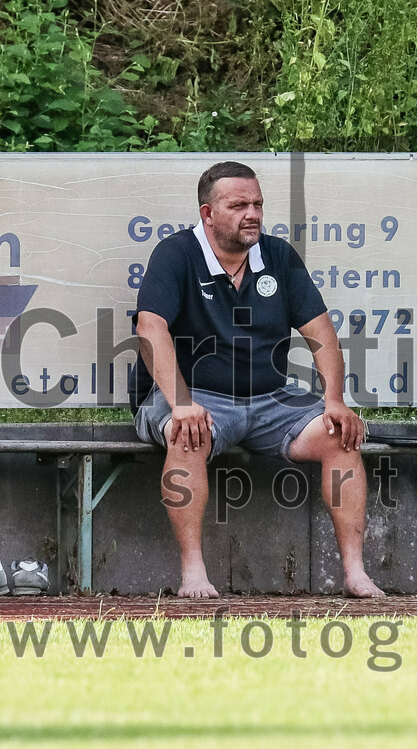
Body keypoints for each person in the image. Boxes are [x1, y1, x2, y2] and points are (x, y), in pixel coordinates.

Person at [130, 161, 384, 599]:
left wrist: (335, 400)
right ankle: (193, 574)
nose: (253, 213)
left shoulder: (279, 256)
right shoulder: (176, 254)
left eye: (258, 204)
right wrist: (181, 403)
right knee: (186, 435)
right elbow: (150, 329)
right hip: (195, 397)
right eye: (239, 205)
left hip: (270, 398)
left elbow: (321, 333)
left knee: (340, 435)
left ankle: (355, 574)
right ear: (208, 213)